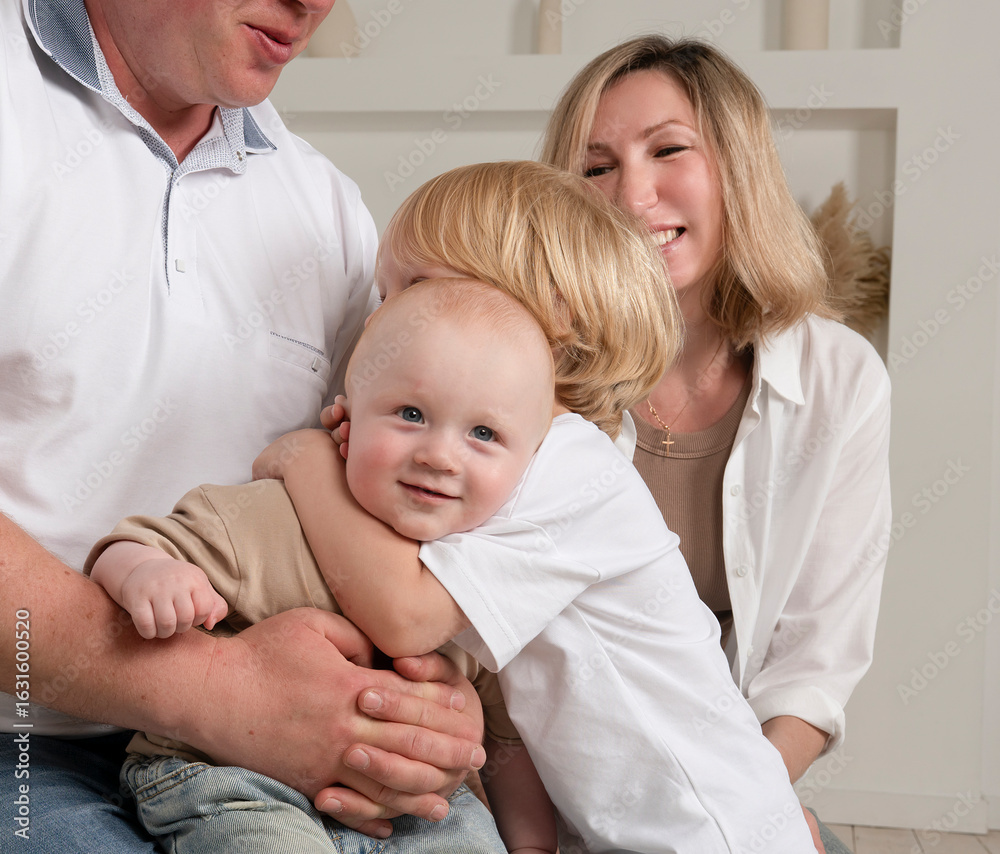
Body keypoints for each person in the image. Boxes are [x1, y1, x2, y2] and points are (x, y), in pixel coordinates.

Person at [0, 1, 486, 850]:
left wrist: (424, 700)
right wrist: (214, 688)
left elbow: (385, 496)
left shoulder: (326, 213)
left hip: (266, 752)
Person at [256, 160, 821, 852]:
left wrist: (309, 460)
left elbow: (405, 616)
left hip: (710, 833)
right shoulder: (500, 458)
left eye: (418, 290)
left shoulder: (569, 469)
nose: (383, 320)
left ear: (552, 313)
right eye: (384, 295)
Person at [539, 35, 892, 853]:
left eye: (668, 150)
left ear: (737, 168)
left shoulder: (841, 380)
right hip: (537, 797)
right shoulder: (524, 366)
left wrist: (738, 815)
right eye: (596, 167)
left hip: (726, 791)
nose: (632, 195)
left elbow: (814, 667)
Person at [86, 278, 558, 853]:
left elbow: (508, 740)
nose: (438, 456)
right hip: (228, 775)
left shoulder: (478, 580)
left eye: (483, 433)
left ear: (528, 466)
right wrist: (146, 574)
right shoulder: (274, 515)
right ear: (347, 420)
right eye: (411, 414)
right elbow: (130, 545)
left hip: (404, 804)